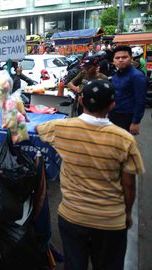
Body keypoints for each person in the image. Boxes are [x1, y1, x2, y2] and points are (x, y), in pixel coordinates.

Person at [35, 79, 144, 270]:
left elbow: (34, 128)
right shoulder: (124, 139)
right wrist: (126, 214)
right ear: (112, 105)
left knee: (75, 265)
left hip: (72, 217)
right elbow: (129, 185)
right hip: (110, 222)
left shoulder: (60, 128)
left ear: (81, 101)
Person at [109, 45, 148, 134]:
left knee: (124, 145)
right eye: (117, 58)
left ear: (131, 58)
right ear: (113, 60)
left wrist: (135, 122)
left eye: (124, 57)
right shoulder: (116, 75)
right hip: (114, 115)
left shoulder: (137, 76)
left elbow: (140, 101)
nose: (120, 60)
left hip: (127, 117)